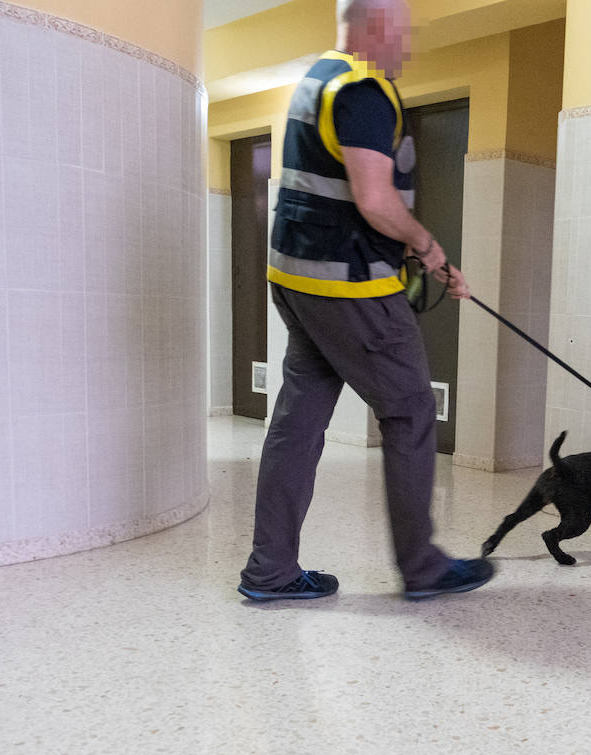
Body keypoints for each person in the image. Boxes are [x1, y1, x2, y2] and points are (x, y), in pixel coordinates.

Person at [239, 0, 495, 602]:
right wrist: (427, 244)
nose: (406, 45)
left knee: (297, 423)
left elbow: (342, 199)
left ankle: (269, 571)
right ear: (375, 25)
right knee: (409, 413)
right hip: (348, 289)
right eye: (401, 31)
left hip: (298, 280)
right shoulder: (364, 90)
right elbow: (375, 200)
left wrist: (412, 251)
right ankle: (424, 569)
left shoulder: (317, 81)